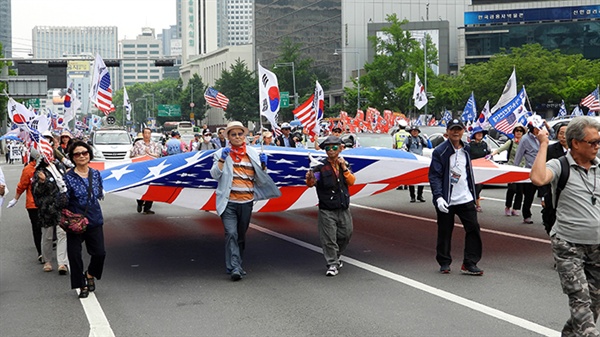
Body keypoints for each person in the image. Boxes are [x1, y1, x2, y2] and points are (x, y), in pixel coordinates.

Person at [530, 116, 600, 336]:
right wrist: (543, 144)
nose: (597, 146)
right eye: (592, 142)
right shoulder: (560, 165)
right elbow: (538, 178)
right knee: (581, 302)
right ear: (575, 143)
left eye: (599, 142)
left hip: (597, 246)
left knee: (593, 305)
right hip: (568, 246)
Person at [210, 121, 280, 281]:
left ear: (244, 136)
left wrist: (264, 166)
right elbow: (215, 175)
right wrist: (222, 159)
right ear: (228, 137)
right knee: (231, 233)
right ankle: (235, 267)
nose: (237, 137)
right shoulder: (221, 153)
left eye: (240, 134)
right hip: (228, 202)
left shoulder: (253, 153)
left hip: (247, 201)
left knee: (240, 235)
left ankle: (236, 264)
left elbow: (260, 178)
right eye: (233, 134)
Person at [428, 119, 483, 276]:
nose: (456, 132)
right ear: (447, 131)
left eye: (459, 129)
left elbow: (469, 173)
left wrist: (474, 194)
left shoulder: (466, 149)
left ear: (463, 131)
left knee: (473, 229)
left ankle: (470, 263)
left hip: (465, 198)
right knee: (445, 231)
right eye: (453, 129)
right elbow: (435, 176)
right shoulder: (440, 151)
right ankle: (444, 262)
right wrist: (438, 197)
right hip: (446, 199)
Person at [305, 135, 356, 277]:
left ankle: (336, 256)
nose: (331, 150)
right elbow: (311, 183)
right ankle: (332, 263)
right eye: (328, 148)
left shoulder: (344, 164)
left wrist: (344, 167)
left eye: (334, 147)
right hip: (327, 209)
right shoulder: (319, 167)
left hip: (343, 207)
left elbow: (351, 181)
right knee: (329, 238)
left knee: (346, 234)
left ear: (340, 148)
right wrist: (310, 177)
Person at [64, 141, 106, 298]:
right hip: (75, 222)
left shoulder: (95, 174)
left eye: (84, 153)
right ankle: (81, 285)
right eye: (77, 154)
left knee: (100, 253)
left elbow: (98, 194)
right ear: (72, 158)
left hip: (94, 219)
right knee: (74, 256)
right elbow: (63, 200)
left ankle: (90, 274)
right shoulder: (67, 177)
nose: (81, 156)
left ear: (89, 155)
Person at [32, 151, 69, 274]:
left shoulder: (59, 167)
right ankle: (47, 260)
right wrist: (42, 182)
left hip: (61, 207)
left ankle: (62, 262)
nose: (50, 157)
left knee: (62, 233)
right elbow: (36, 191)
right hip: (47, 209)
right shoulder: (39, 172)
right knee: (47, 236)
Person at [7, 148, 43, 263]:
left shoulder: (49, 168)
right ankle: (41, 252)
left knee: (48, 229)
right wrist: (15, 199)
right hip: (33, 204)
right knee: (37, 229)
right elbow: (22, 185)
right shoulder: (28, 169)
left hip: (48, 203)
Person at [491, 124, 527, 216]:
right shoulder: (510, 142)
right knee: (512, 189)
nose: (518, 132)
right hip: (512, 168)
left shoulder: (526, 143)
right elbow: (500, 149)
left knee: (520, 191)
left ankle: (515, 208)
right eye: (517, 131)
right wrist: (492, 154)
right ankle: (508, 206)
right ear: (514, 132)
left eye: (520, 131)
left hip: (522, 169)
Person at [513, 116, 544, 224]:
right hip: (530, 171)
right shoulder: (525, 139)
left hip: (543, 170)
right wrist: (515, 170)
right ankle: (527, 215)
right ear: (532, 128)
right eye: (537, 127)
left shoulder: (542, 136)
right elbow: (518, 155)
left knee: (546, 194)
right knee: (529, 195)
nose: (539, 129)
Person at [130, 128, 161, 214]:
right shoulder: (138, 144)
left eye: (149, 133)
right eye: (145, 133)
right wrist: (143, 156)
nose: (147, 135)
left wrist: (149, 154)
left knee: (152, 188)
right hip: (140, 169)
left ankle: (147, 207)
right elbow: (132, 156)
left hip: (152, 170)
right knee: (140, 187)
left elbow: (158, 156)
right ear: (143, 134)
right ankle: (140, 202)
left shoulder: (154, 145)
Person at [403, 125, 431, 202]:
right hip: (412, 161)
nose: (415, 132)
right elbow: (403, 147)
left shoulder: (421, 139)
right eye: (413, 131)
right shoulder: (408, 139)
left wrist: (428, 139)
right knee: (411, 180)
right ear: (411, 132)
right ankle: (412, 196)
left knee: (420, 179)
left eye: (416, 131)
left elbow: (429, 146)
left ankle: (420, 195)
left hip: (420, 160)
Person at [468, 126, 490, 212]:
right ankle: (474, 204)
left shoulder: (484, 144)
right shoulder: (469, 146)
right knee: (472, 187)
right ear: (474, 135)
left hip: (482, 169)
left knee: (479, 187)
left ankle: (475, 203)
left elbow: (488, 155)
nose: (480, 134)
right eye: (478, 133)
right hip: (472, 169)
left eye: (481, 133)